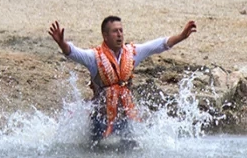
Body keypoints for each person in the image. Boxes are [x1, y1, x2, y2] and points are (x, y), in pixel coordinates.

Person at [48, 16, 197, 143]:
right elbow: (74, 52)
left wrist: (181, 36)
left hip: (125, 119)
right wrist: (62, 43)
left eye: (121, 30)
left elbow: (159, 45)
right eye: (115, 31)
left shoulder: (132, 53)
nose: (119, 34)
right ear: (105, 36)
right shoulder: (94, 57)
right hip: (100, 120)